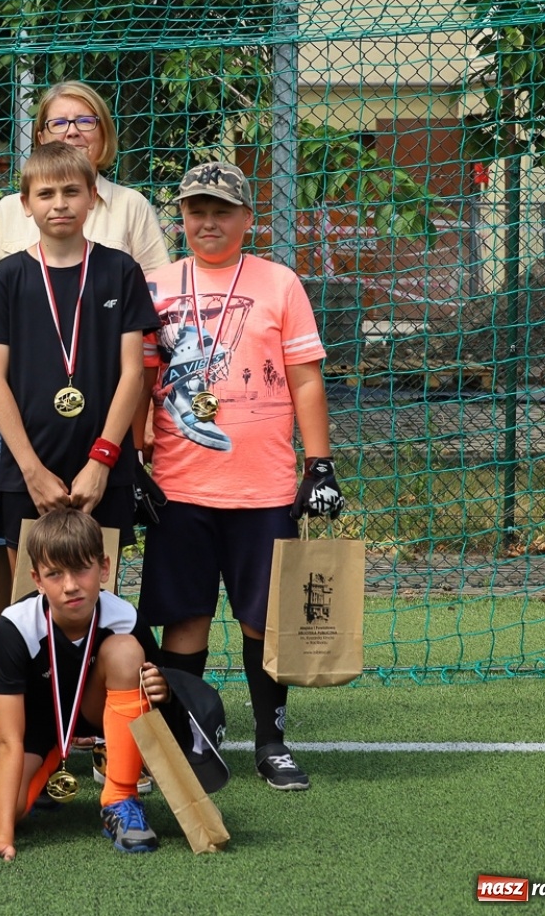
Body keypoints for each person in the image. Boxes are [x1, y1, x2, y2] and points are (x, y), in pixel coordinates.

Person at [138, 159, 344, 791]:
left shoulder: (280, 283)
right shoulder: (156, 284)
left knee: (263, 620)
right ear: (180, 217)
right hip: (180, 484)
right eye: (196, 210)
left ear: (247, 219)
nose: (207, 222)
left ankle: (271, 741)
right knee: (185, 619)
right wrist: (138, 456)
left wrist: (320, 462)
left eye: (221, 211)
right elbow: (140, 381)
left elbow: (306, 376)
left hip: (264, 487)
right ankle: (188, 738)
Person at [0, 142, 159, 592]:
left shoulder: (120, 270)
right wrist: (31, 470)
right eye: (45, 194)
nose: (59, 203)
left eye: (71, 191)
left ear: (92, 197)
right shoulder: (7, 277)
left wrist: (101, 462)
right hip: (28, 474)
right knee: (28, 605)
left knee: (100, 604)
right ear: (25, 204)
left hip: (104, 471)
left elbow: (133, 375)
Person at [0, 508, 167, 861]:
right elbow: (9, 738)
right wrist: (2, 836)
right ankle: (48, 764)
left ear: (104, 568)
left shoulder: (126, 619)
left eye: (82, 569)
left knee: (127, 653)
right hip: (35, 723)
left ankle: (120, 799)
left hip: (96, 713)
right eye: (55, 574)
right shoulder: (14, 627)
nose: (70, 585)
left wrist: (163, 688)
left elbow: (158, 705)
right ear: (37, 579)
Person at [0, 80, 169, 283]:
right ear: (41, 139)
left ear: (103, 133)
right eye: (59, 123)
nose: (72, 131)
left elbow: (158, 291)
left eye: (85, 121)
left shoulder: (131, 206)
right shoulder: (8, 210)